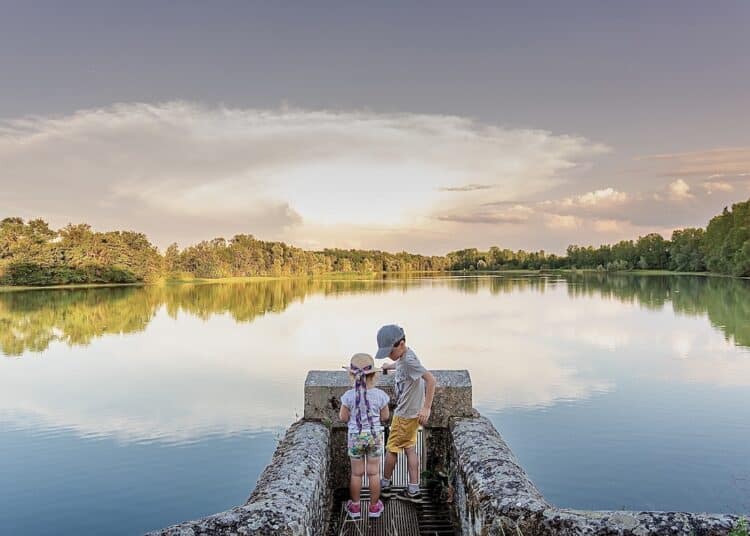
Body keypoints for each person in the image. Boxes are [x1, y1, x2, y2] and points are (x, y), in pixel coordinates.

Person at [374, 324, 436, 502]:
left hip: (404, 415)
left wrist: (427, 407)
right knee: (410, 449)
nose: (388, 355)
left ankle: (384, 486)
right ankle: (414, 489)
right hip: (410, 414)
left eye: (389, 352)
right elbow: (403, 365)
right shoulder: (405, 356)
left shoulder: (409, 360)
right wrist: (391, 365)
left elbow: (431, 381)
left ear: (401, 344)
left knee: (391, 449)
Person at [339, 353, 390, 519]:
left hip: (355, 437)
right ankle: (374, 507)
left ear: (352, 375)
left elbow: (343, 417)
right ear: (374, 374)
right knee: (374, 473)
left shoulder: (348, 396)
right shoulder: (380, 395)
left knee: (356, 474)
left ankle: (355, 507)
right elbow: (385, 417)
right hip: (374, 437)